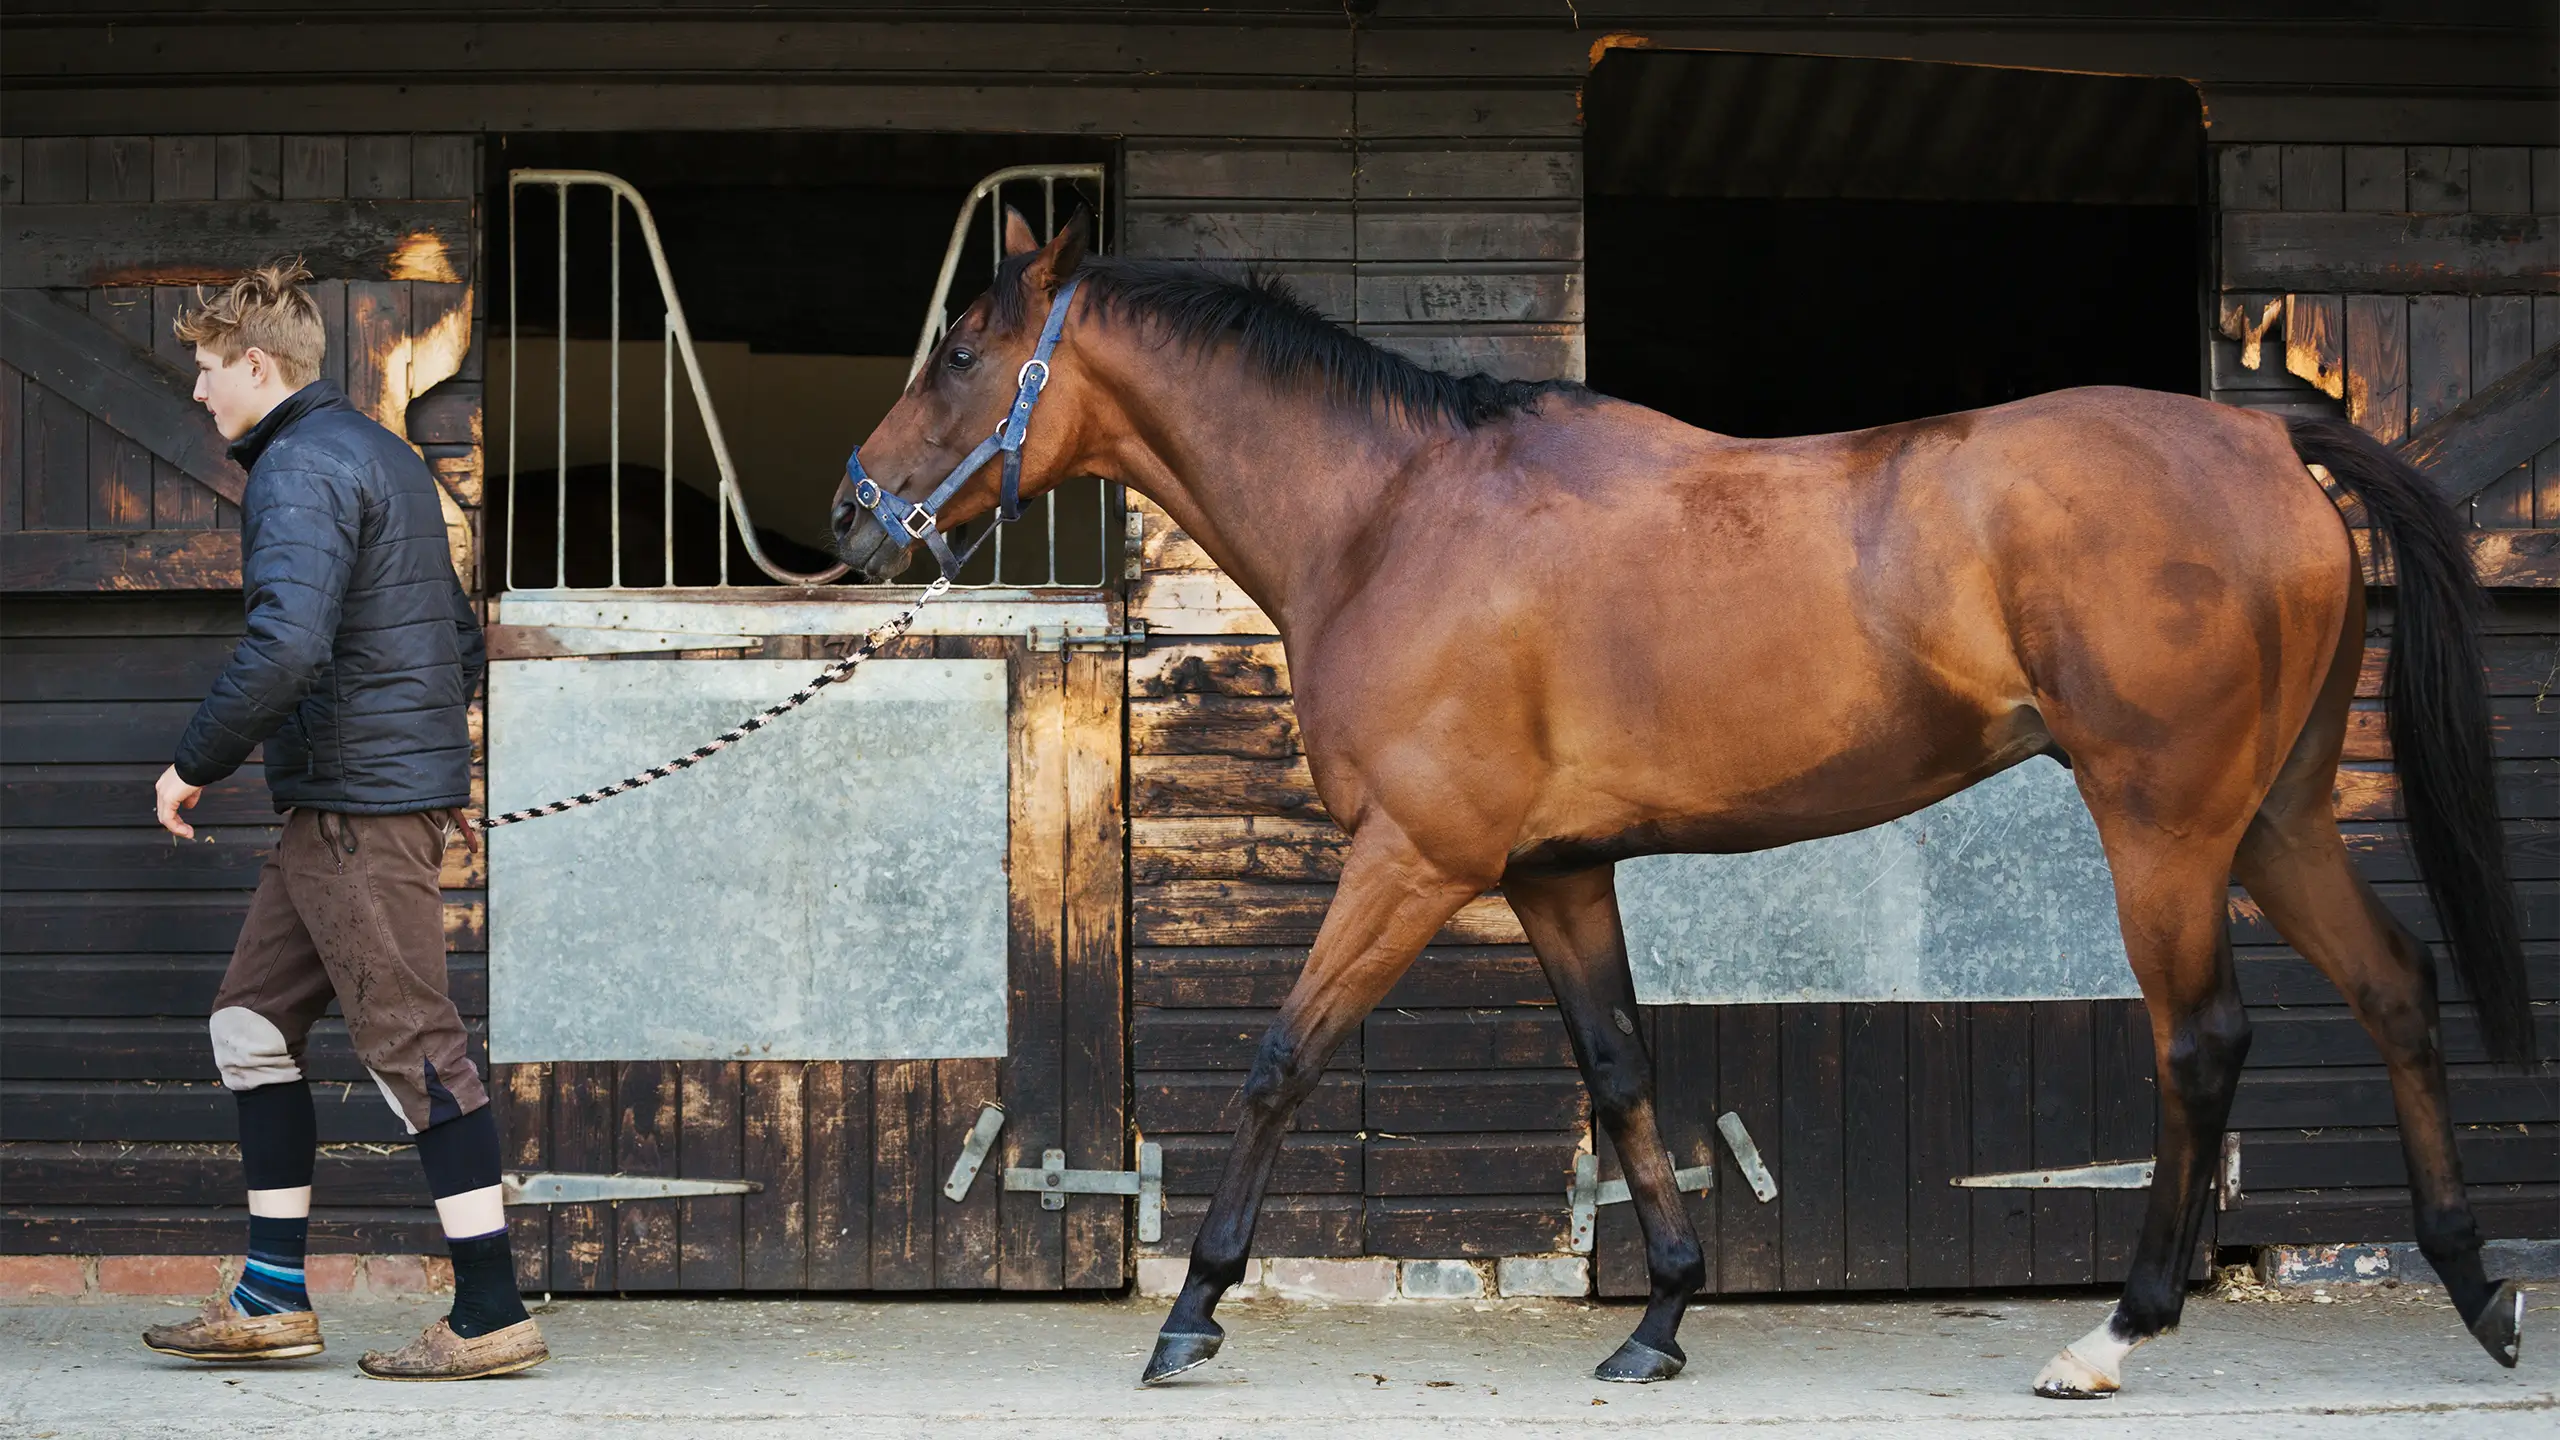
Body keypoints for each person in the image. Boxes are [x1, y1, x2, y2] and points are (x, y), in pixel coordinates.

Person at [143, 260, 545, 1381]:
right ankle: (272, 1296)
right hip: (353, 803)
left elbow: (286, 645)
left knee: (416, 1049)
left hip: (355, 813)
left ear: (258, 367)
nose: (198, 393)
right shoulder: (385, 461)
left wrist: (191, 763)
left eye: (209, 370)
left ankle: (489, 1311)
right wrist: (430, 775)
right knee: (250, 1031)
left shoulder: (297, 470)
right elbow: (454, 642)